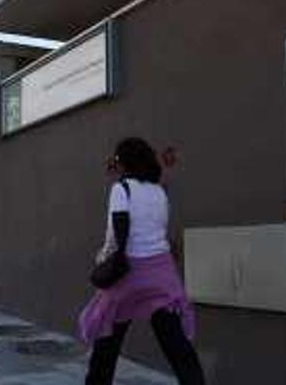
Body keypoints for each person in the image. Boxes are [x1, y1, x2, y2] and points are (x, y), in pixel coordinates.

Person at [79, 137, 205, 385]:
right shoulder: (159, 191)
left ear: (125, 163)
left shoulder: (121, 189)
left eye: (117, 160)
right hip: (161, 273)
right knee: (176, 345)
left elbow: (116, 235)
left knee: (107, 345)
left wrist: (103, 258)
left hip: (129, 272)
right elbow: (159, 229)